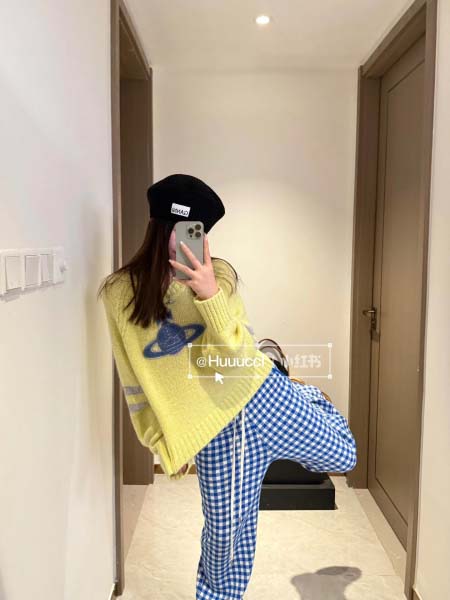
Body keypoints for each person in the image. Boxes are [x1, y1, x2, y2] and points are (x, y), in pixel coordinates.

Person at [98, 173, 357, 600]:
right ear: (161, 225)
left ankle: (302, 393)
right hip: (214, 426)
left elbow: (237, 354)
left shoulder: (218, 275)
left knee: (343, 455)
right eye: (186, 228)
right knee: (225, 538)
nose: (192, 239)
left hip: (258, 394)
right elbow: (134, 379)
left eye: (200, 231)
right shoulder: (118, 293)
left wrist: (210, 295)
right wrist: (160, 437)